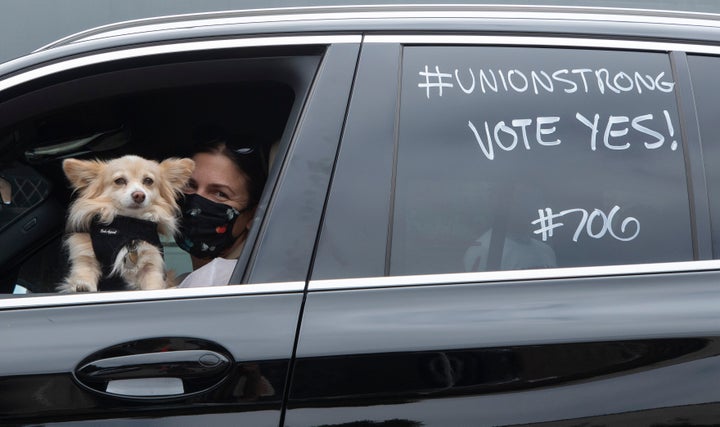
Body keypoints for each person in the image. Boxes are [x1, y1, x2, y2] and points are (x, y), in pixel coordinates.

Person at [175, 130, 268, 287]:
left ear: (254, 214)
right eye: (190, 185)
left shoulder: (215, 280)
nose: (196, 202)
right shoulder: (187, 281)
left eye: (220, 193)